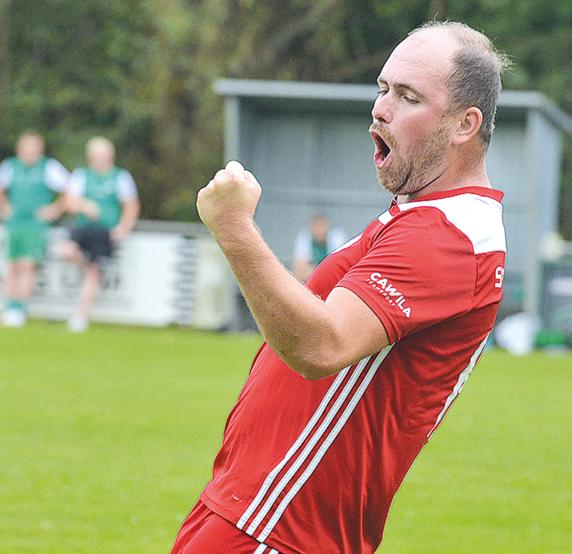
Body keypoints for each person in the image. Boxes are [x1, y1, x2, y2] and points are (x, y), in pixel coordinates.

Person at [173, 21, 509, 554]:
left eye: (408, 96)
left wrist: (234, 227)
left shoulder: (445, 236)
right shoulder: (424, 218)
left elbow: (320, 345)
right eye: (382, 89)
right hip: (259, 512)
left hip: (278, 526)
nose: (381, 108)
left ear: (464, 124)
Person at [57, 136, 139, 332]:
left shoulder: (120, 177)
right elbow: (68, 202)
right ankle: (88, 262)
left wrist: (123, 228)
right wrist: (84, 205)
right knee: (65, 251)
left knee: (94, 272)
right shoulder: (81, 175)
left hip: (104, 230)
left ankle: (81, 316)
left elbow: (131, 206)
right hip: (82, 227)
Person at [0, 131, 70, 327]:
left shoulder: (48, 167)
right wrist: (3, 207)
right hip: (15, 222)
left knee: (27, 265)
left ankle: (19, 309)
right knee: (12, 265)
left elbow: (70, 188)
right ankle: (8, 306)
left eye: (34, 148)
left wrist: (55, 208)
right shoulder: (10, 166)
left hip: (35, 224)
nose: (30, 152)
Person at [291, 214, 347, 282]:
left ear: (328, 226)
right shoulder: (304, 238)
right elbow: (299, 271)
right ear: (310, 227)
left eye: (322, 226)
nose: (320, 230)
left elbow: (341, 268)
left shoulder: (336, 238)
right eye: (316, 226)